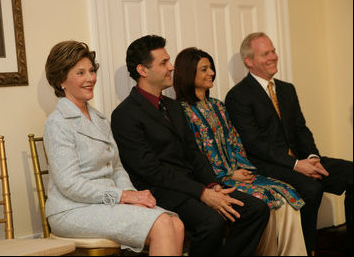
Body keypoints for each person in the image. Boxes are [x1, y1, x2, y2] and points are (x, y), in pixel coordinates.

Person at [111, 34, 270, 256]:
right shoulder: (125, 115)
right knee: (211, 222)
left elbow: (194, 152)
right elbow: (150, 170)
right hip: (161, 191)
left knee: (256, 209)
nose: (171, 67)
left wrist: (213, 185)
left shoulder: (174, 107)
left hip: (193, 185)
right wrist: (202, 192)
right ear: (143, 70)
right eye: (164, 62)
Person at [43, 40, 184, 256]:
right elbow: (70, 185)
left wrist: (130, 195)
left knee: (176, 224)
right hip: (72, 209)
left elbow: (117, 168)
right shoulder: (58, 123)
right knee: (163, 224)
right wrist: (124, 197)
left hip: (106, 204)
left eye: (91, 70)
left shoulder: (99, 119)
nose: (90, 78)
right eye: (80, 73)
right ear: (61, 79)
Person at [225, 32, 353, 255]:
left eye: (273, 50)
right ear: (249, 61)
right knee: (312, 189)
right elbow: (254, 144)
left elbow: (301, 129)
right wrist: (296, 165)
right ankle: (307, 250)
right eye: (266, 53)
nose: (273, 56)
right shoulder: (238, 96)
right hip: (268, 165)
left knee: (351, 172)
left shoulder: (286, 89)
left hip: (302, 160)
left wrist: (312, 157)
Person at [173, 47, 307, 255]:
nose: (211, 73)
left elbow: (235, 141)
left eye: (212, 68)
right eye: (204, 69)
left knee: (286, 193)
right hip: (214, 181)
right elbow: (194, 155)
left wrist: (242, 168)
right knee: (266, 200)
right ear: (188, 73)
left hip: (237, 172)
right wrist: (227, 174)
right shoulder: (180, 111)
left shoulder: (218, 106)